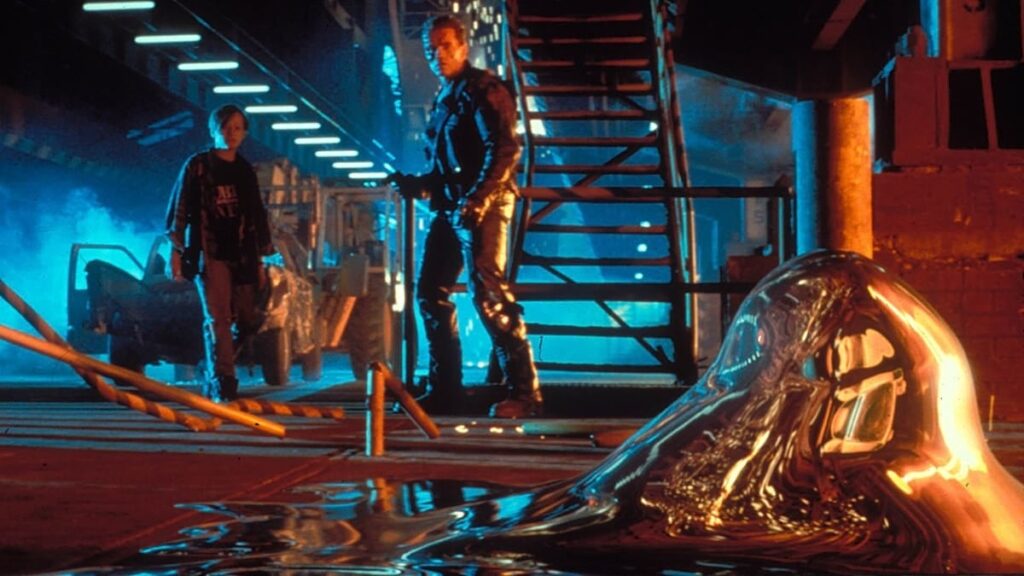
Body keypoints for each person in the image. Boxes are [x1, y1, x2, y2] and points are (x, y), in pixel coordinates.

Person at [390, 15, 542, 418]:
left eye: (445, 46)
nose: (437, 55)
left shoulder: (484, 90)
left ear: (463, 46)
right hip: (454, 206)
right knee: (430, 292)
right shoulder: (448, 97)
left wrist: (477, 199)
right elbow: (448, 166)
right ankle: (445, 390)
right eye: (431, 49)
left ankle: (525, 393)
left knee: (489, 295)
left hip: (484, 207)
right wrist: (418, 184)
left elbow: (505, 149)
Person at [165, 104, 274, 402]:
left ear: (245, 133)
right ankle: (223, 379)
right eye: (225, 127)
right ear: (214, 130)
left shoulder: (245, 171)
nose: (231, 133)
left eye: (237, 128)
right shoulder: (198, 166)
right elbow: (180, 208)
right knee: (218, 318)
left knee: (249, 318)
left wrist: (261, 258)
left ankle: (216, 363)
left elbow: (257, 214)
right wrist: (176, 251)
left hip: (243, 255)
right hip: (209, 253)